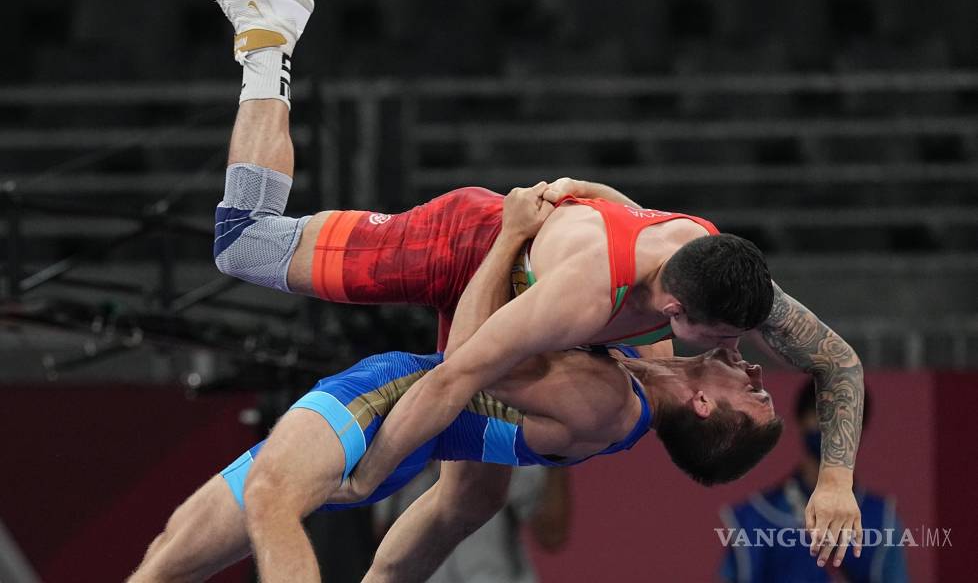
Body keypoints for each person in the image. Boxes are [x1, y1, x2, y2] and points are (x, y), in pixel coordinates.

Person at [174, 0, 865, 569]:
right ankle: (271, 36)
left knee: (470, 499)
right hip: (467, 244)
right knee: (245, 245)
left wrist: (836, 480)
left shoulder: (711, 274)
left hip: (514, 279)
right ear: (678, 307)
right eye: (734, 339)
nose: (747, 355)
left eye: (741, 357)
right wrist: (368, 479)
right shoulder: (597, 297)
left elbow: (837, 361)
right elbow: (455, 375)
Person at [128, 183, 783, 583]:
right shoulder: (647, 352)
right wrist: (589, 195)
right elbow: (645, 246)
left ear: (702, 404)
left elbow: (459, 366)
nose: (754, 369)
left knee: (273, 498)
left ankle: (267, 55)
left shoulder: (605, 401)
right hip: (422, 429)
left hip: (386, 405)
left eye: (753, 393)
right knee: (166, 562)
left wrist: (512, 237)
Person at [719, 384, 909, 583]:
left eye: (845, 420)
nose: (831, 427)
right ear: (801, 421)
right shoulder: (754, 517)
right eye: (822, 414)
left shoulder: (882, 520)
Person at [372, 464, 571, 583]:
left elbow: (552, 534)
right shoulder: (403, 447)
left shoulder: (503, 437)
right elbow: (377, 535)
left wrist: (555, 453)